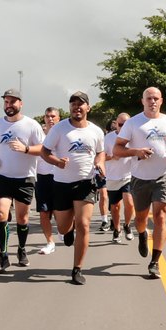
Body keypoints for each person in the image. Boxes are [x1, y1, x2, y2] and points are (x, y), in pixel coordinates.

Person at [114, 87, 166, 279]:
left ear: (161, 101)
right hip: (140, 177)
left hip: (164, 175)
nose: (152, 101)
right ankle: (141, 234)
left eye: (156, 98)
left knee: (160, 216)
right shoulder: (133, 123)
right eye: (149, 98)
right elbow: (117, 149)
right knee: (141, 218)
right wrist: (136, 151)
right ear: (143, 101)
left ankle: (155, 262)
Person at [41, 91, 105, 285]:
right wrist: (57, 162)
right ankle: (67, 232)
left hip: (85, 182)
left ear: (88, 107)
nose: (77, 107)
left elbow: (100, 153)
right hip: (61, 183)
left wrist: (100, 164)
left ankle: (77, 269)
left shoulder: (96, 131)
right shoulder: (59, 129)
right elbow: (44, 152)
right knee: (62, 226)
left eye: (81, 103)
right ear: (69, 108)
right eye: (73, 104)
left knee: (84, 224)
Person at [0, 88, 45, 272]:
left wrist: (25, 149)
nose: (9, 105)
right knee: (0, 214)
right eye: (6, 102)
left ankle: (21, 249)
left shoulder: (31, 125)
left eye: (12, 102)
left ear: (20, 104)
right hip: (2, 176)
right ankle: (3, 256)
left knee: (22, 217)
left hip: (24, 178)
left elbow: (43, 148)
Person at [104, 113, 135, 244]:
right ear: (116, 124)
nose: (123, 127)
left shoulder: (133, 137)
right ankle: (117, 229)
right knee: (115, 207)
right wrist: (112, 157)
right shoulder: (108, 138)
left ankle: (127, 225)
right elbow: (100, 157)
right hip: (112, 177)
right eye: (121, 124)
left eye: (126, 124)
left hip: (128, 175)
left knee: (129, 203)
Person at [35, 107, 60, 255]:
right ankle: (50, 242)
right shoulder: (39, 137)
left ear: (58, 118)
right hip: (42, 177)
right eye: (47, 117)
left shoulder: (64, 134)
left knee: (59, 212)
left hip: (60, 178)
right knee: (44, 212)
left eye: (53, 116)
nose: (50, 119)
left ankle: (64, 231)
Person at [96, 120, 113, 232]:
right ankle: (105, 220)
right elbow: (97, 157)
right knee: (104, 195)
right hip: (103, 172)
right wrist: (110, 157)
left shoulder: (123, 139)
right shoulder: (104, 140)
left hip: (116, 173)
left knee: (115, 201)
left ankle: (114, 219)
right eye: (112, 127)